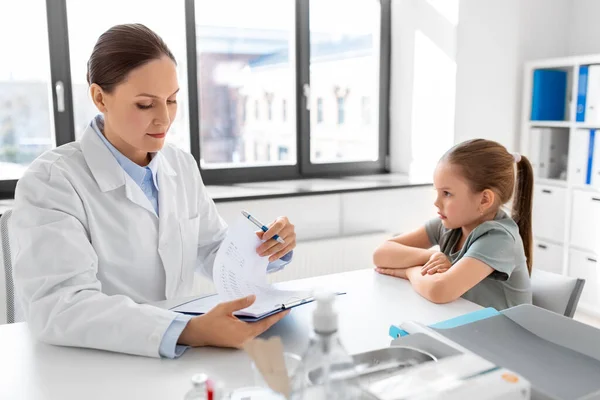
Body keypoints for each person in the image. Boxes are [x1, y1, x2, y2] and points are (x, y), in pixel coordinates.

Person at [10, 24, 297, 358]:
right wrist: (188, 330)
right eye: (145, 105)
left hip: (177, 357)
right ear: (100, 97)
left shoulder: (180, 164)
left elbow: (210, 250)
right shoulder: (52, 181)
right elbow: (61, 305)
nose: (164, 119)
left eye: (172, 100)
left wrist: (264, 246)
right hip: (88, 363)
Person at [372, 139, 533, 310]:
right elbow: (381, 254)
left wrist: (408, 271)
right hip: (470, 326)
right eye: (438, 192)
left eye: (447, 193)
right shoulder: (451, 224)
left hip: (506, 333)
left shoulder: (499, 238)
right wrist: (430, 257)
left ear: (484, 199)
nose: (436, 202)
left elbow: (440, 290)